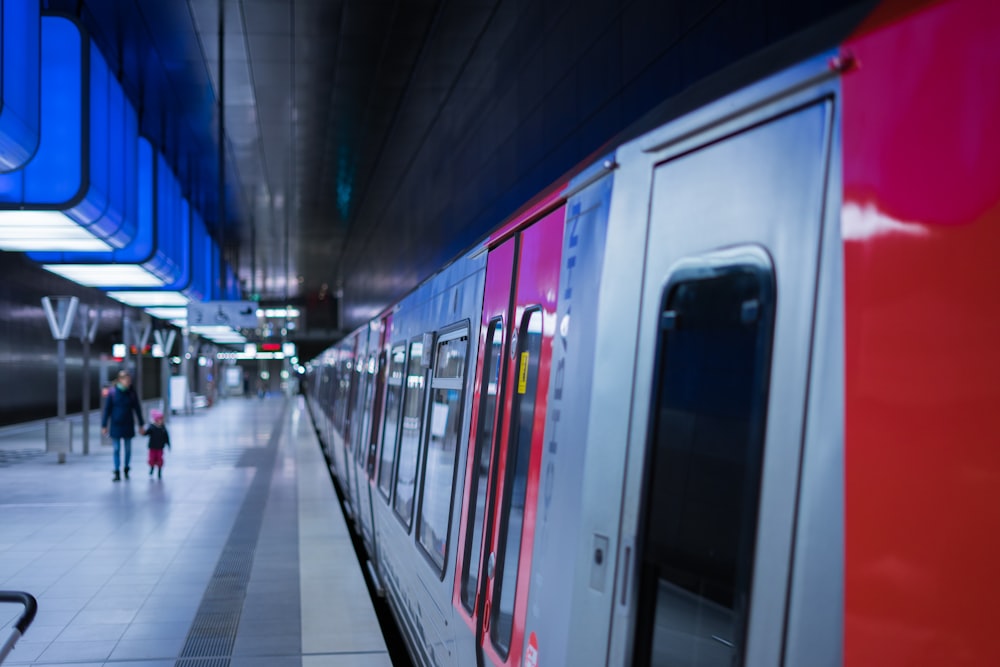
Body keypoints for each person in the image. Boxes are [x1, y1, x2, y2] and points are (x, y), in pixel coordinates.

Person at [101, 370, 145, 482]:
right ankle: (116, 471)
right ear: (120, 380)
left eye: (129, 380)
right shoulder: (113, 393)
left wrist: (141, 424)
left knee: (128, 449)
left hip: (128, 424)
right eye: (126, 380)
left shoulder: (131, 393)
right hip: (116, 425)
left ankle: (126, 468)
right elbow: (107, 410)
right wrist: (104, 425)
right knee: (116, 448)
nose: (128, 382)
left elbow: (137, 409)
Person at [146, 409, 170, 479]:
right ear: (156, 420)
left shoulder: (163, 428)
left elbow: (166, 437)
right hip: (152, 447)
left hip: (160, 447)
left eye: (162, 419)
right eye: (160, 419)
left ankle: (159, 471)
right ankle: (152, 468)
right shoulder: (152, 427)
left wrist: (168, 444)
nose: (161, 421)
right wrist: (143, 431)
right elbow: (146, 433)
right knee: (152, 459)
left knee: (160, 459)